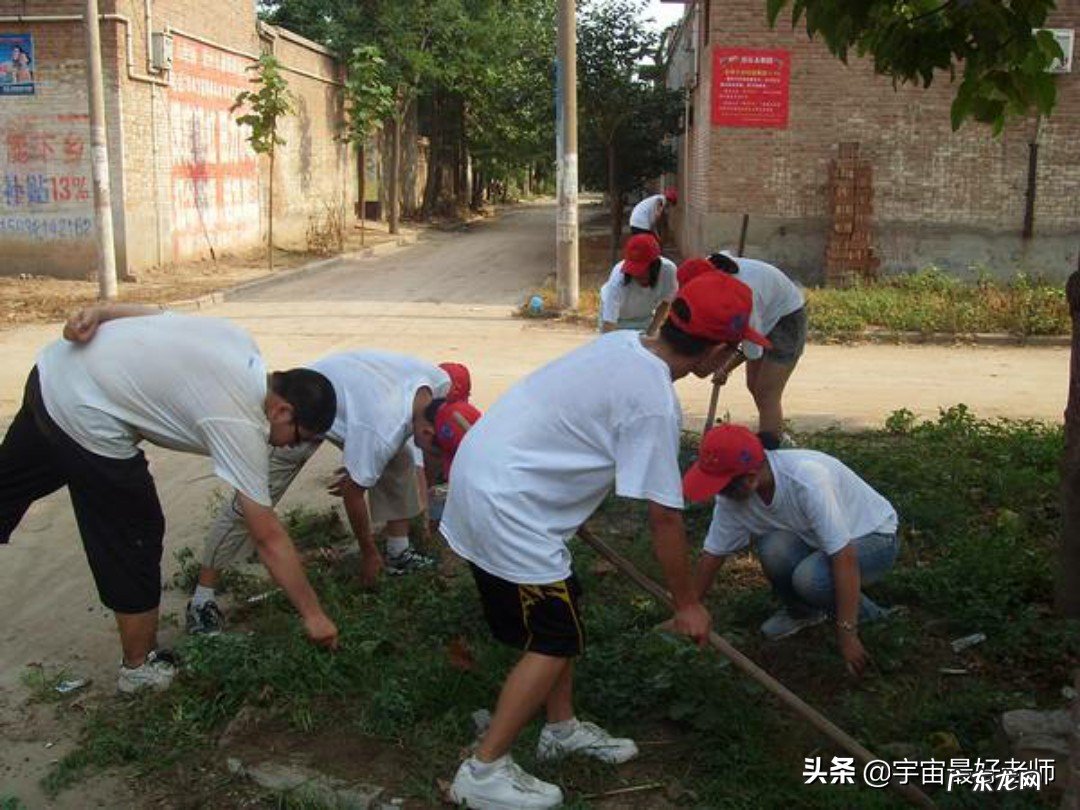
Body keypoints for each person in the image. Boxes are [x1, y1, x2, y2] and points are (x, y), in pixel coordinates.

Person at [442, 271, 770, 809]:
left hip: (492, 478)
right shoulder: (653, 402)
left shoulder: (625, 342)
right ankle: (482, 771)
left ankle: (561, 728)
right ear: (715, 352)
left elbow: (574, 419)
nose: (732, 362)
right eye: (735, 352)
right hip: (508, 505)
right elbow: (664, 518)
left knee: (562, 609)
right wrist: (688, 604)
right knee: (552, 637)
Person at [0, 305, 339, 693]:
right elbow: (267, 535)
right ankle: (139, 668)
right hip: (85, 414)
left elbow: (155, 315)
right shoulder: (239, 420)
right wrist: (314, 615)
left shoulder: (240, 344)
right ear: (282, 410)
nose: (293, 447)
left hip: (52, 375)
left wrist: (98, 312)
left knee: (9, 485)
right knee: (135, 529)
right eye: (299, 437)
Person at [186, 351, 464, 635]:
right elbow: (353, 495)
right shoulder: (383, 430)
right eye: (434, 453)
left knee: (401, 456)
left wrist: (361, 461)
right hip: (303, 406)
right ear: (429, 433)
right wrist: (368, 553)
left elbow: (389, 436)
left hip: (346, 398)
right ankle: (201, 600)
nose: (433, 462)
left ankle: (398, 553)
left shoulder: (437, 384)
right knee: (250, 502)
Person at [686, 424, 900, 677]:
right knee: (773, 548)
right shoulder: (733, 497)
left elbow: (844, 556)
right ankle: (804, 613)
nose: (718, 495)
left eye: (722, 486)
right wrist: (687, 608)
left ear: (751, 477)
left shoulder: (807, 479)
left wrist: (847, 634)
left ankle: (872, 618)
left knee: (811, 579)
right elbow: (712, 555)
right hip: (818, 540)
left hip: (873, 537)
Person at [678, 252, 807, 449]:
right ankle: (774, 432)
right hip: (767, 310)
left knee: (766, 393)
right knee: (753, 384)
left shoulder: (743, 294)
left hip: (786, 318)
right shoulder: (708, 269)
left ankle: (771, 452)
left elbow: (752, 348)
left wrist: (725, 367)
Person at [599, 234, 677, 333]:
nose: (637, 275)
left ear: (655, 265)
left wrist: (651, 331)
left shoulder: (669, 271)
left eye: (643, 270)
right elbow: (609, 325)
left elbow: (666, 302)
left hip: (644, 317)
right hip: (617, 319)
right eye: (634, 270)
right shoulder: (618, 279)